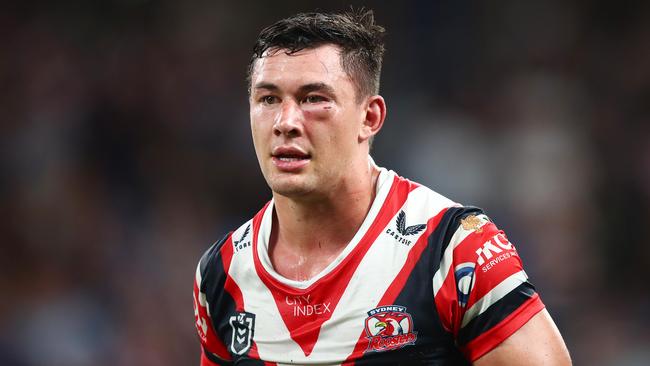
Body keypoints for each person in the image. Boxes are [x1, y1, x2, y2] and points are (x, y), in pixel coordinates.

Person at [192, 9, 571, 365]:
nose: (285, 121)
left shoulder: (453, 249)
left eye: (314, 99)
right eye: (268, 99)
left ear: (369, 117)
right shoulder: (222, 274)